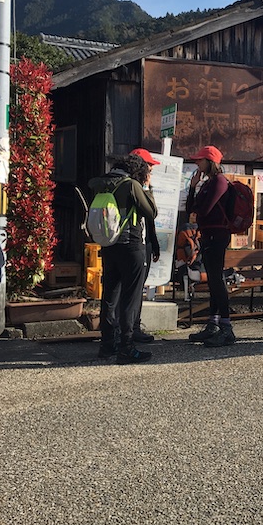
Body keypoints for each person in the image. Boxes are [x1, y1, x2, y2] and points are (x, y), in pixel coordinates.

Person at [89, 153, 158, 364]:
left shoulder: (102, 183)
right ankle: (127, 346)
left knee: (110, 296)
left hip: (109, 245)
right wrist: (147, 187)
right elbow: (151, 212)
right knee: (130, 296)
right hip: (131, 246)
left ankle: (107, 344)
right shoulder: (130, 185)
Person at [186, 145, 236, 348]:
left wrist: (197, 198)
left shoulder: (219, 182)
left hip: (217, 236)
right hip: (209, 235)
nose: (197, 163)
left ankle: (226, 327)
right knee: (214, 280)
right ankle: (213, 324)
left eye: (200, 160)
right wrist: (192, 188)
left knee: (217, 279)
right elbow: (192, 209)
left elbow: (203, 210)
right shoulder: (208, 183)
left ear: (210, 162)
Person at [129, 148, 161, 343]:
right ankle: (131, 328)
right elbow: (151, 214)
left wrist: (155, 245)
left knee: (136, 287)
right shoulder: (136, 188)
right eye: (149, 165)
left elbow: (150, 223)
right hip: (135, 244)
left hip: (143, 243)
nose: (151, 169)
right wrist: (148, 189)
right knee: (133, 288)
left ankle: (131, 326)